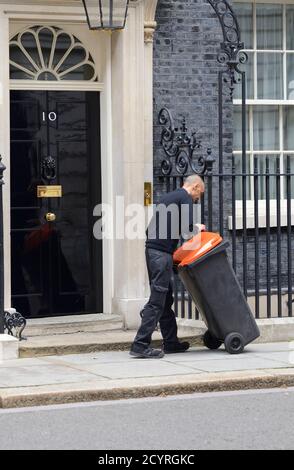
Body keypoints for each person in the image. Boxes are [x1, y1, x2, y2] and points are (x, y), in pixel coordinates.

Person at [130, 175, 206, 359]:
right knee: (157, 301)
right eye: (199, 195)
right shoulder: (185, 198)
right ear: (195, 187)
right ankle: (140, 345)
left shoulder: (166, 198)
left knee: (165, 300)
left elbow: (149, 230)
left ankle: (171, 342)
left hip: (153, 253)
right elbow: (188, 230)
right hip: (162, 255)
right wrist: (198, 227)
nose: (198, 199)